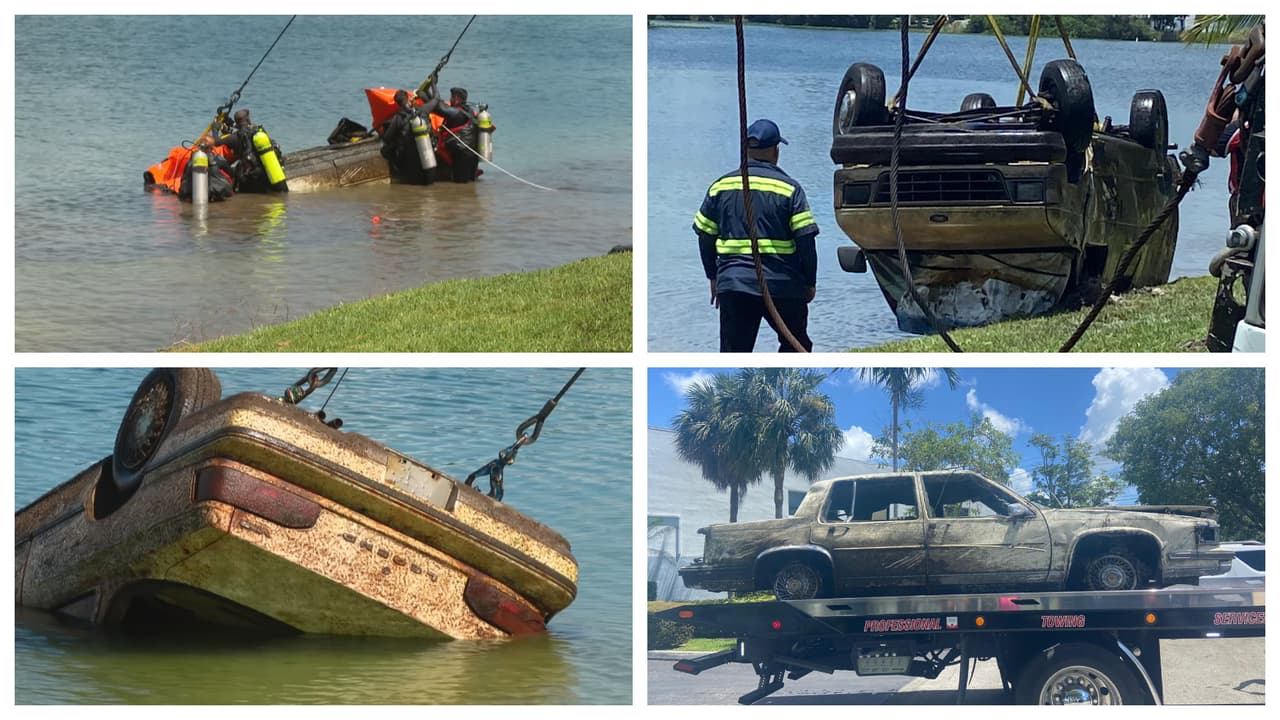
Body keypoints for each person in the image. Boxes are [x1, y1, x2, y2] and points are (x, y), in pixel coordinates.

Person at [693, 118, 819, 352]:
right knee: (798, 347)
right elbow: (806, 241)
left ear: (747, 150)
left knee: (734, 354)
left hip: (735, 284)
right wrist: (810, 282)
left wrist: (714, 276)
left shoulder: (721, 186)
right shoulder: (790, 189)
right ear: (775, 151)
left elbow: (705, 236)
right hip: (784, 285)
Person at [203, 108, 288, 193]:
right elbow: (243, 127)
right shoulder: (259, 132)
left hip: (251, 179)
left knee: (226, 166)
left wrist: (215, 129)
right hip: (266, 175)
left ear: (237, 122)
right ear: (248, 119)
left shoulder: (235, 138)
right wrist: (231, 123)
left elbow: (217, 142)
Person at [419, 84, 480, 183]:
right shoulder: (469, 111)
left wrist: (433, 85)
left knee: (460, 184)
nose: (450, 100)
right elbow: (436, 105)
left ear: (456, 98)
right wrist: (425, 92)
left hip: (463, 154)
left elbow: (438, 107)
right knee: (468, 184)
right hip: (471, 154)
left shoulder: (456, 113)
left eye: (451, 97)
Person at [380, 89, 436, 184]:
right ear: (408, 98)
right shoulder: (421, 110)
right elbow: (435, 101)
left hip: (410, 158)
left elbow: (387, 138)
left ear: (397, 103)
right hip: (427, 154)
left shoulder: (398, 118)